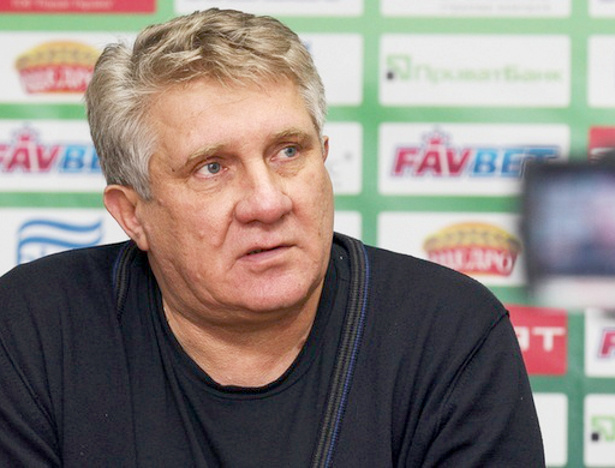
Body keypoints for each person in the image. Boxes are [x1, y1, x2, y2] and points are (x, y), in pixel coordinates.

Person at [0, 8, 544, 467]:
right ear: (132, 214)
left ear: (323, 158)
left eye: (288, 151)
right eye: (212, 167)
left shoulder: (449, 333)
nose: (268, 202)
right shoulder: (34, 329)